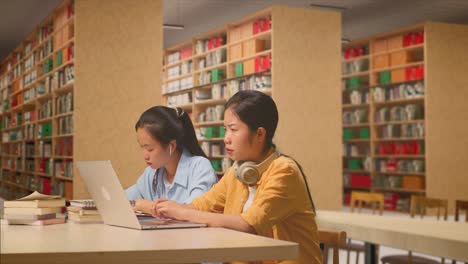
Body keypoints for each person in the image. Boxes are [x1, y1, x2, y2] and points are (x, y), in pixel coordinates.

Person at [152, 91, 322, 264]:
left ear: (260, 134)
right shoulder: (237, 170)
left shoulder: (285, 170)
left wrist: (183, 213)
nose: (226, 139)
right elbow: (203, 205)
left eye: (233, 130)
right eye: (225, 130)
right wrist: (172, 207)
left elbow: (248, 224)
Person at [126, 106, 217, 215]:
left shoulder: (200, 167)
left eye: (150, 149)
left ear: (172, 146)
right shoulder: (151, 173)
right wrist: (138, 204)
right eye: (142, 147)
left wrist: (145, 205)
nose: (145, 155)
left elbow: (192, 212)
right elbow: (120, 200)